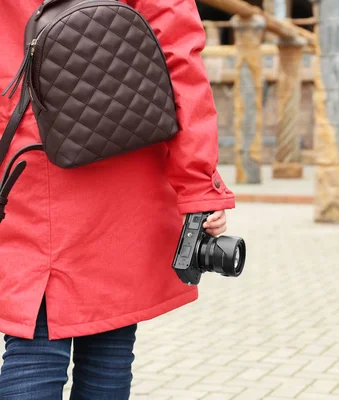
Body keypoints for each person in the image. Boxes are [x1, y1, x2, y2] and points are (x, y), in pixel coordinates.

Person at [0, 1, 234, 398]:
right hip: (122, 166)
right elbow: (178, 61)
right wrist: (197, 185)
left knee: (35, 342)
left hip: (23, 165)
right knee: (107, 347)